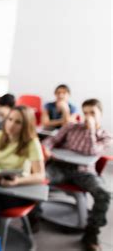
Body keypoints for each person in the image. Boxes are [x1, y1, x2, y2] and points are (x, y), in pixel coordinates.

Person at [43, 99, 112, 251]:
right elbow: (51, 140)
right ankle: (33, 217)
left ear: (100, 114)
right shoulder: (71, 127)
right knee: (38, 179)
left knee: (104, 194)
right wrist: (47, 149)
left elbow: (92, 152)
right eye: (85, 112)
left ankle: (91, 234)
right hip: (60, 167)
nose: (88, 116)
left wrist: (91, 130)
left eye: (92, 113)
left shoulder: (105, 136)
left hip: (84, 172)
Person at [0, 106, 45, 251]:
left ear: (26, 125)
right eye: (10, 119)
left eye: (18, 122)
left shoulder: (32, 142)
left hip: (21, 190)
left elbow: (40, 175)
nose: (11, 125)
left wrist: (17, 182)